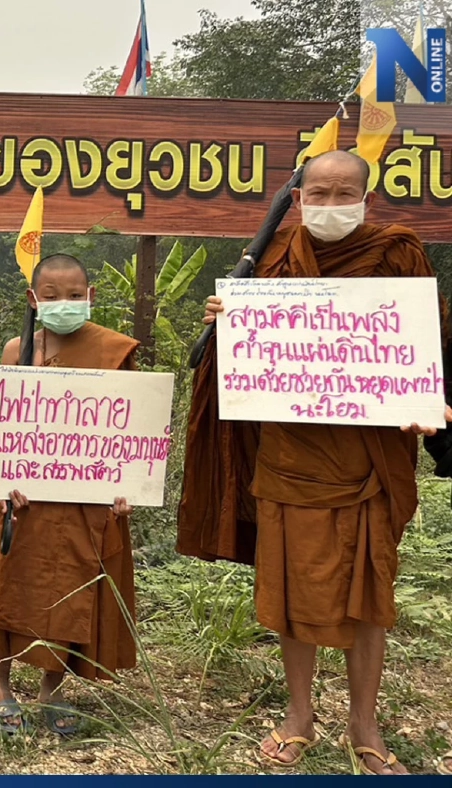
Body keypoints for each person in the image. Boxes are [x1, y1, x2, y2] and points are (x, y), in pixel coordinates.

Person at [179, 150, 446, 774]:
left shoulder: (397, 252)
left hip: (369, 457)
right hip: (291, 452)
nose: (329, 206)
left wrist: (425, 397)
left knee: (370, 598)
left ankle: (365, 723)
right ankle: (299, 715)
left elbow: (424, 339)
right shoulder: (271, 257)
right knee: (292, 591)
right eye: (317, 195)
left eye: (342, 193)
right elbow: (246, 358)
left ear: (367, 199)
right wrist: (227, 320)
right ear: (297, 201)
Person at [0, 254, 137, 738]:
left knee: (76, 586)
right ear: (33, 300)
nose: (63, 304)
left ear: (90, 297)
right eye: (50, 296)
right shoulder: (17, 351)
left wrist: (125, 484)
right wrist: (2, 488)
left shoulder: (114, 350)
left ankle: (52, 686)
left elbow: (128, 426)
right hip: (28, 499)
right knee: (16, 584)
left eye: (74, 295)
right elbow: (1, 431)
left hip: (86, 498)